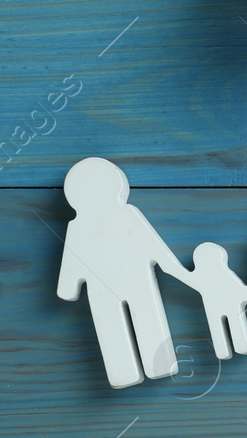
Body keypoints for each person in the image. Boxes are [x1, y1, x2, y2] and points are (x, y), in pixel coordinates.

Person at [56, 157, 192, 388]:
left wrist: (68, 288)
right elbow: (159, 253)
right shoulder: (121, 216)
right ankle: (147, 367)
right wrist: (179, 271)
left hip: (113, 289)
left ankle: (131, 371)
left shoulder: (84, 226)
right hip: (125, 286)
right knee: (131, 324)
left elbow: (68, 284)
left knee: (117, 328)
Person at [183, 242, 247, 359]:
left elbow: (184, 276)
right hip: (223, 308)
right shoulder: (219, 275)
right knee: (230, 325)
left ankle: (231, 349)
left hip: (219, 309)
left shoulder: (205, 277)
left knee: (223, 327)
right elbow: (239, 289)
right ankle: (237, 347)